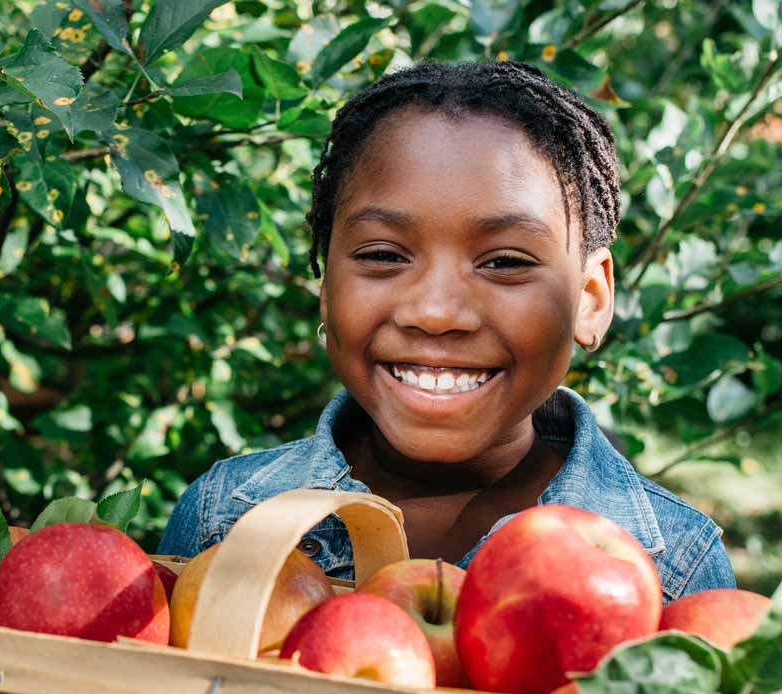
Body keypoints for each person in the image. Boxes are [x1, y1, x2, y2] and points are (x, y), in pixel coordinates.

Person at [158, 61, 735, 603]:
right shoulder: (224, 521)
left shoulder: (674, 568)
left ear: (589, 299)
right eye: (384, 254)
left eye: (505, 262)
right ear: (327, 287)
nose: (435, 313)